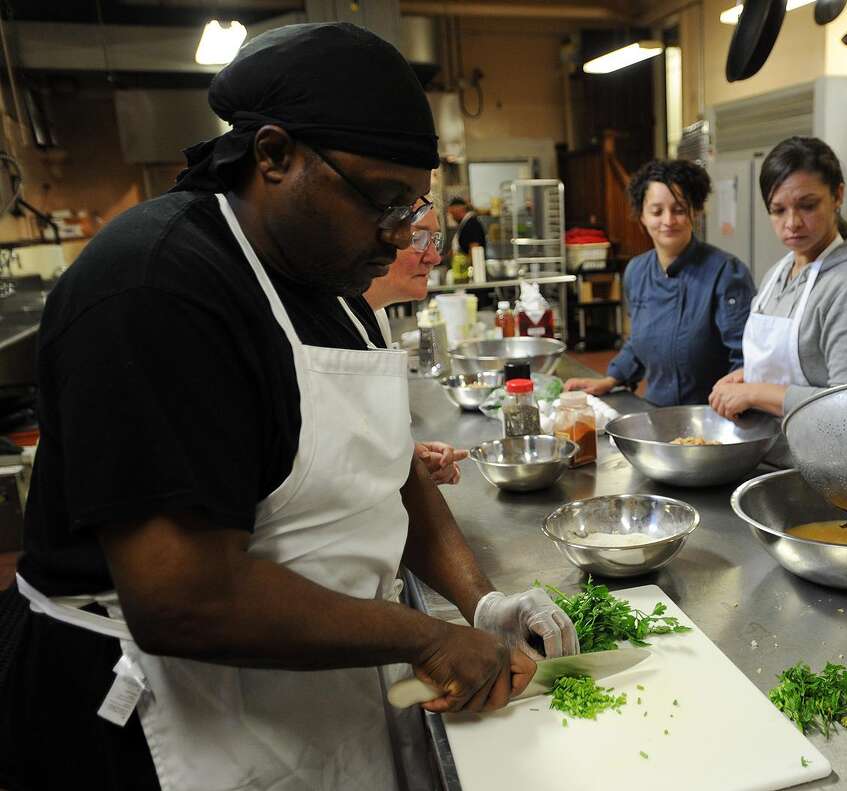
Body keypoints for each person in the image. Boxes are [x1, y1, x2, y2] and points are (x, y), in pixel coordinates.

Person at [0, 23, 578, 791]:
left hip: (307, 686)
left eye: (412, 207)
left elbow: (388, 468)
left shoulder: (328, 280)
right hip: (159, 716)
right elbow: (184, 596)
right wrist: (423, 634)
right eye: (382, 200)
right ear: (273, 156)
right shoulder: (156, 289)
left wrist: (482, 602)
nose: (398, 234)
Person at [707, 137, 847, 442]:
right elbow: (804, 366)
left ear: (838, 196)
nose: (792, 223)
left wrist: (756, 392)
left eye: (807, 206)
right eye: (778, 210)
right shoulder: (778, 273)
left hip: (822, 465)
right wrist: (749, 378)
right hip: (768, 452)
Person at [564, 159, 755, 405]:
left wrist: (733, 401)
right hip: (656, 413)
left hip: (713, 417)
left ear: (695, 212)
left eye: (679, 210)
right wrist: (612, 378)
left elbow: (746, 356)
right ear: (641, 216)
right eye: (656, 211)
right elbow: (639, 340)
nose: (668, 220)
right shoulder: (637, 271)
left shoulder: (725, 272)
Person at [365, 207, 467, 485]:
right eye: (418, 239)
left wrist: (409, 456)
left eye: (434, 241)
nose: (434, 257)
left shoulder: (377, 315)